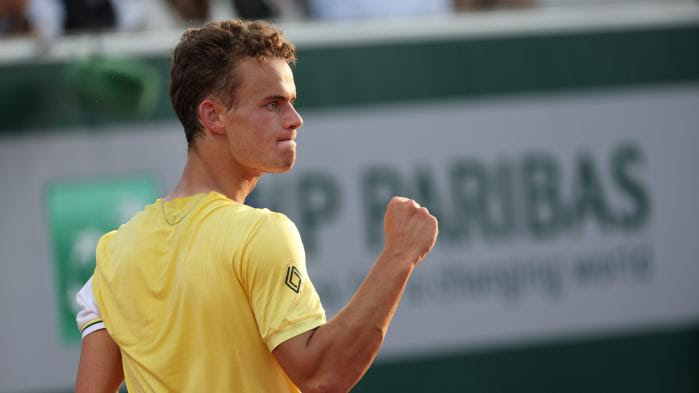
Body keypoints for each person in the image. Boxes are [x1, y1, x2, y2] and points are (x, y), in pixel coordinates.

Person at [74, 19, 438, 393]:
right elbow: (322, 376)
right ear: (212, 115)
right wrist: (400, 255)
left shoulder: (113, 255)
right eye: (272, 104)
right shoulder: (259, 234)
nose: (295, 120)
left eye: (291, 103)